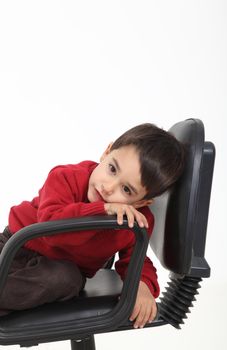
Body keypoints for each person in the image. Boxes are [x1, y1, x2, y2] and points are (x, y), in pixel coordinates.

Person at [0, 123, 185, 329]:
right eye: (112, 169)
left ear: (141, 202)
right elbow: (51, 228)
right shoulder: (66, 177)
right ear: (106, 153)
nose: (108, 187)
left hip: (60, 271)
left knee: (65, 279)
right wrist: (103, 209)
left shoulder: (136, 220)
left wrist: (142, 287)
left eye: (126, 189)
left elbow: (135, 259)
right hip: (15, 246)